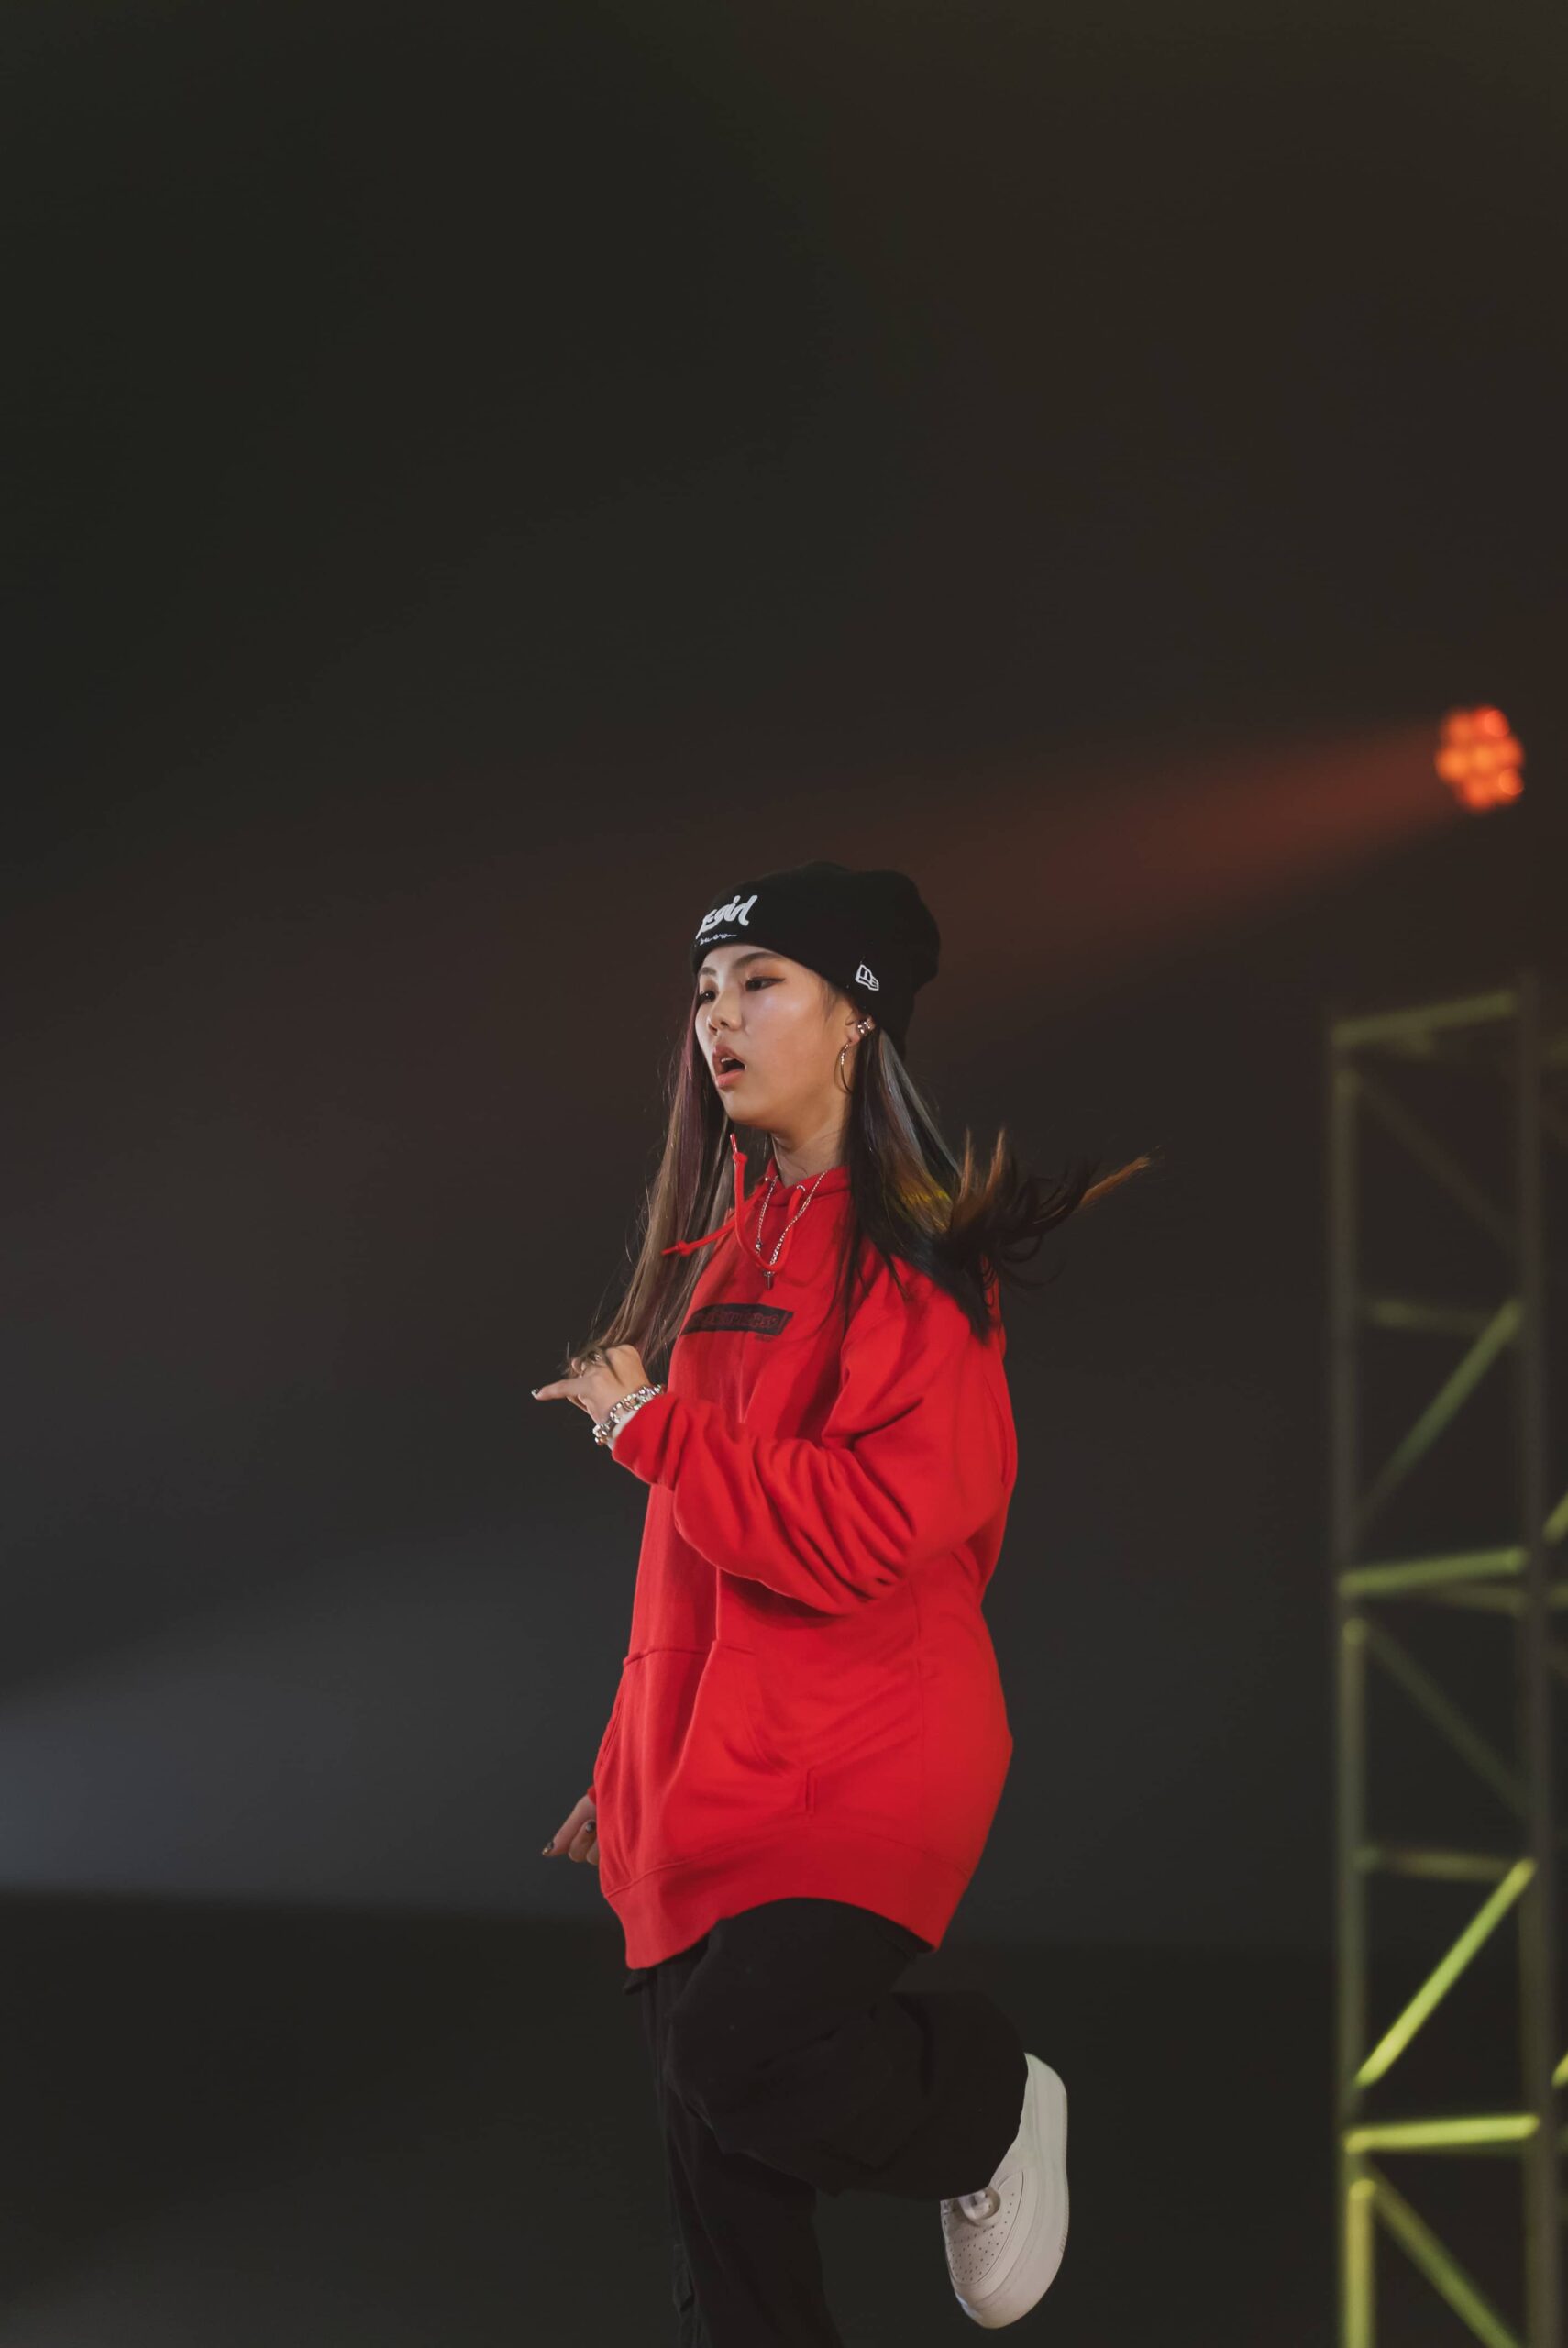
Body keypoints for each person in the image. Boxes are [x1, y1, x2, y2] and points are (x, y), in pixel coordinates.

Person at [536, 861, 1151, 2342]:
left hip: (861, 1749)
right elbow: (692, 1566)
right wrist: (630, 1758)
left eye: (760, 984)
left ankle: (985, 2102)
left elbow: (864, 1534)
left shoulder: (916, 1263)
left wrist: (650, 1429)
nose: (717, 1019)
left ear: (856, 1019)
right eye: (704, 990)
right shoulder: (712, 1256)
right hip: (696, 1780)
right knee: (725, 2224)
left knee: (735, 2061)